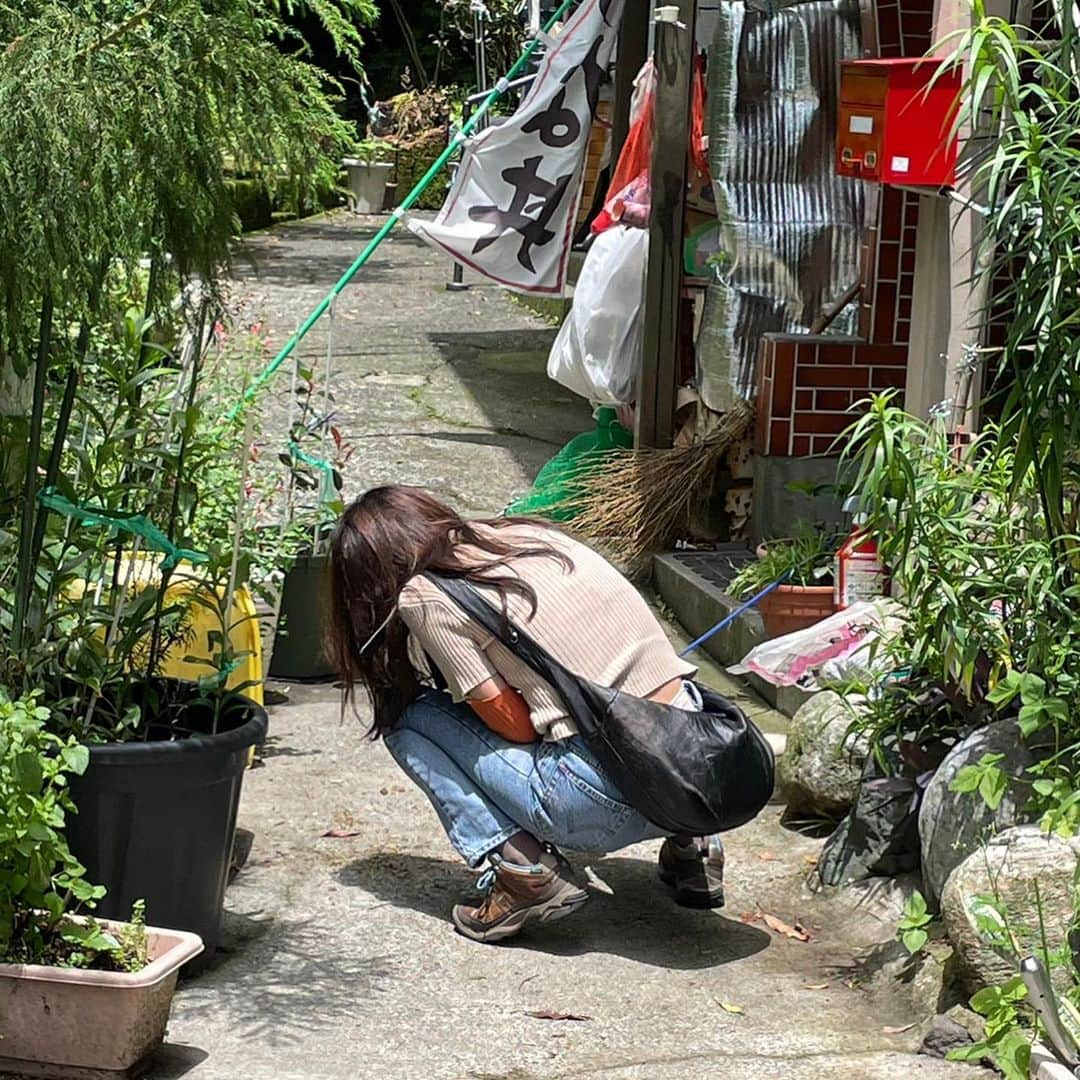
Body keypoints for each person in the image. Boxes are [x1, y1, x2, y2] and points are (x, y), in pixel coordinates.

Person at [326, 485, 725, 943]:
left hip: (605, 801)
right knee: (634, 692)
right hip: (700, 772)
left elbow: (514, 727)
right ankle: (695, 850)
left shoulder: (423, 595)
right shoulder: (529, 535)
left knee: (407, 721)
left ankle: (524, 873)